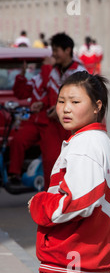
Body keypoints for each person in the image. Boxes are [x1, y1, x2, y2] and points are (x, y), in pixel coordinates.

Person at [28, 71, 110, 273]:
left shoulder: (85, 144)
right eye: (61, 101)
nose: (66, 108)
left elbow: (79, 201)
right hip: (91, 257)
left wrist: (39, 204)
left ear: (97, 106)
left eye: (75, 101)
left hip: (70, 259)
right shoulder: (100, 140)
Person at [12, 32, 86, 189]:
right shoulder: (53, 72)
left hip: (73, 127)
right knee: (51, 162)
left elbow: (82, 100)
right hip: (53, 123)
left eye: (55, 51)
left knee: (74, 162)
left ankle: (73, 196)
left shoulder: (79, 72)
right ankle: (51, 197)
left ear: (67, 50)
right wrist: (44, 104)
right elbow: (52, 94)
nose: (53, 55)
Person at [8, 56, 54, 186]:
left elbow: (48, 86)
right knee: (18, 140)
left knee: (49, 155)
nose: (43, 64)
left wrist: (47, 67)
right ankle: (14, 174)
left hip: (49, 123)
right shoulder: (35, 79)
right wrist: (21, 75)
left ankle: (50, 184)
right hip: (34, 122)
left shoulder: (55, 77)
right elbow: (20, 93)